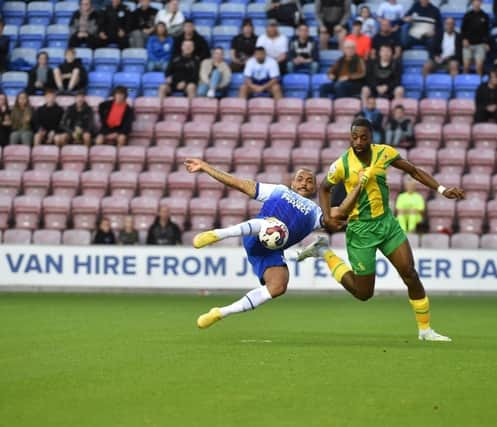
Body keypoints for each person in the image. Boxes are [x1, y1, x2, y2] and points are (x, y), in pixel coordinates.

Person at [300, 117, 465, 341]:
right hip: (361, 231)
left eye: (363, 137)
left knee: (410, 273)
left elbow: (413, 171)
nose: (358, 141)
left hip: (387, 224)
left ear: (371, 138)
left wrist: (442, 189)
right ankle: (324, 252)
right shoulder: (342, 164)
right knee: (363, 293)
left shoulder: (384, 153)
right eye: (354, 137)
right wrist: (327, 218)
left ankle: (425, 330)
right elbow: (324, 188)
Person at [186, 158, 364, 330]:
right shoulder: (278, 190)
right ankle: (219, 234)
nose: (304, 183)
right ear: (292, 183)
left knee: (278, 286)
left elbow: (341, 212)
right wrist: (205, 167)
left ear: (315, 188)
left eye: (310, 181)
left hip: (271, 250)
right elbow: (238, 183)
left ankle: (220, 312)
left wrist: (360, 185)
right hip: (255, 235)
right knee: (272, 225)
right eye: (300, 179)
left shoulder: (316, 214)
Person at [461, 0, 490, 76]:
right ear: (473, 3)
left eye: (479, 1)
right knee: (466, 67)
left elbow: (487, 32)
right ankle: (465, 83)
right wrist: (464, 39)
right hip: (468, 44)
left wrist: (486, 43)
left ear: (481, 3)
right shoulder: (467, 15)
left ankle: (479, 85)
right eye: (475, 1)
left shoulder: (485, 16)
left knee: (479, 67)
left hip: (480, 45)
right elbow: (463, 30)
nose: (477, 3)